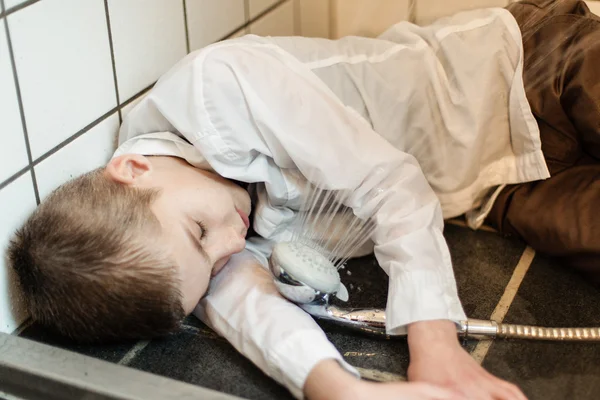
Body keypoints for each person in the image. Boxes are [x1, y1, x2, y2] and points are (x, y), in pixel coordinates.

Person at [7, 0, 597, 399]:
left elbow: (390, 182)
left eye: (200, 233)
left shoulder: (217, 87)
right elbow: (249, 311)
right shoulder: (173, 247)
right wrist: (343, 389)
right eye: (213, 263)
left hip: (519, 70)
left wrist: (435, 344)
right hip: (492, 189)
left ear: (132, 168)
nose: (233, 244)